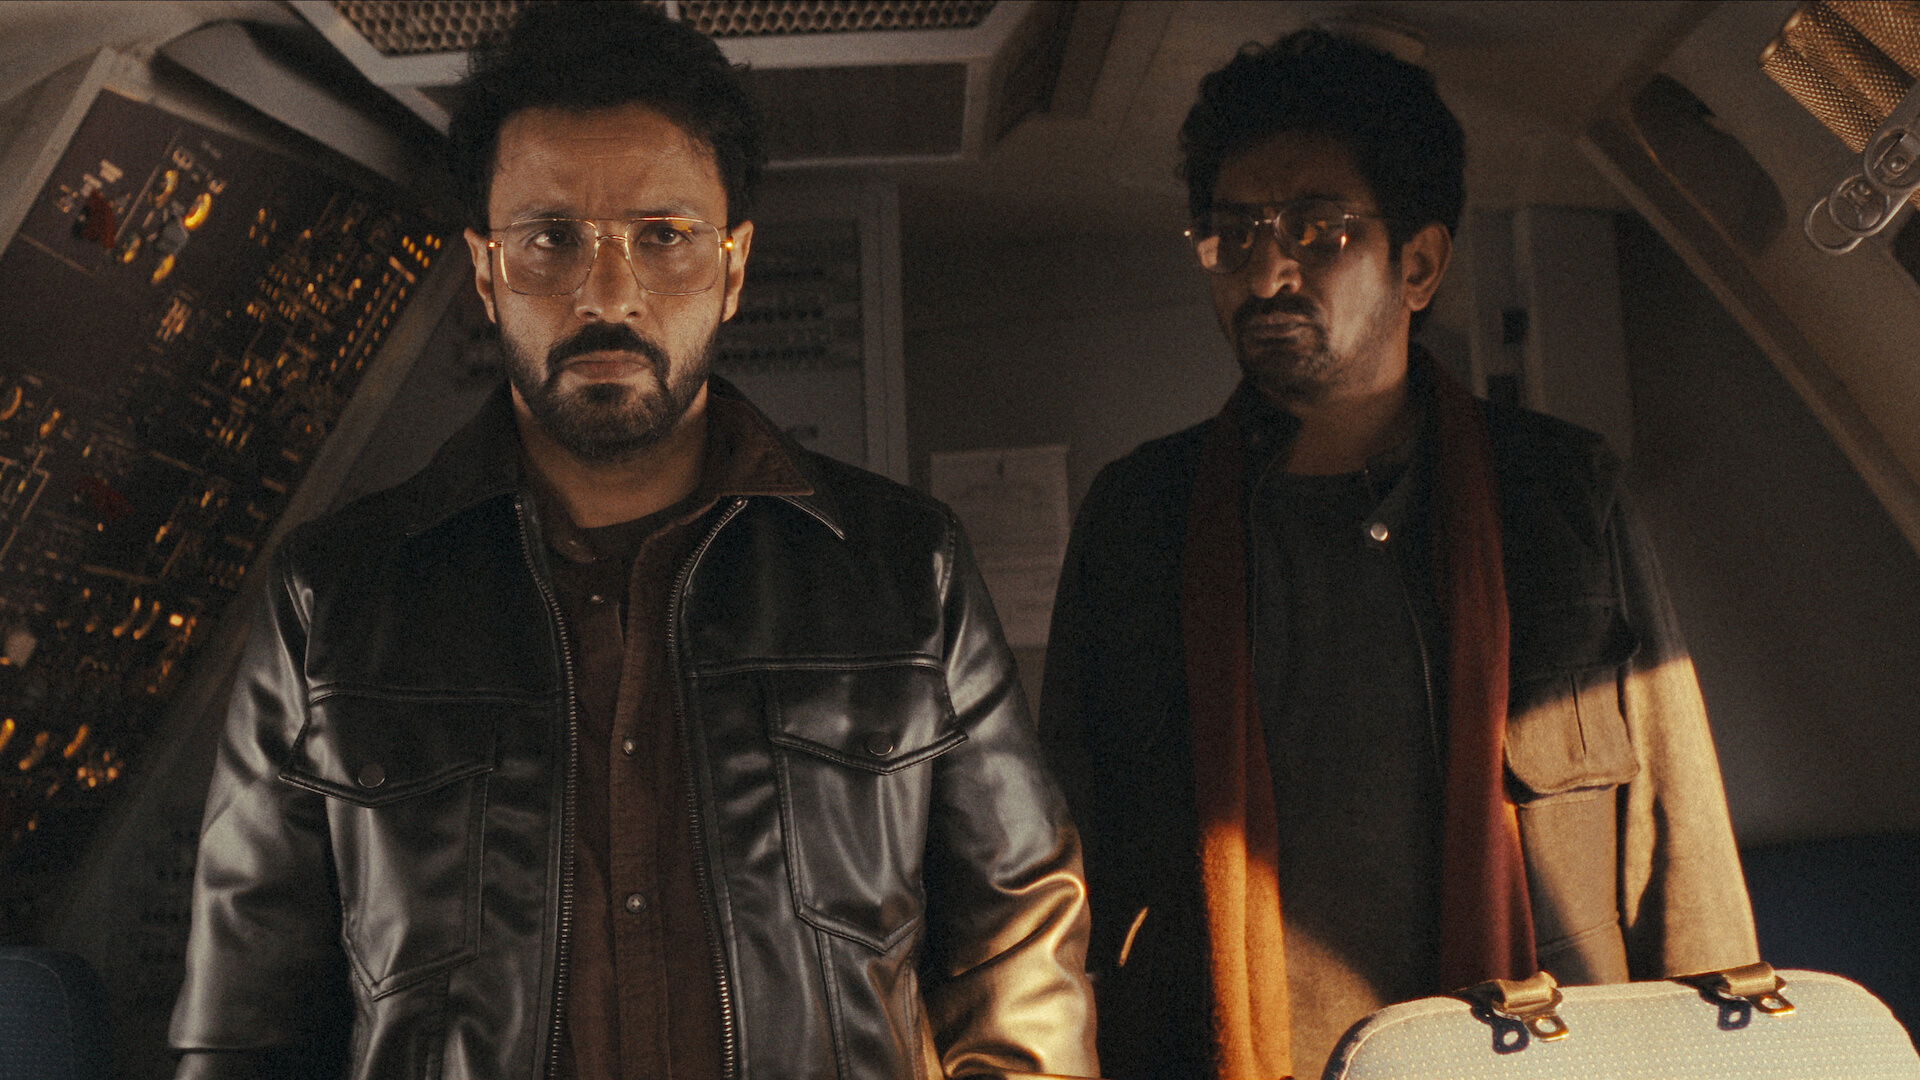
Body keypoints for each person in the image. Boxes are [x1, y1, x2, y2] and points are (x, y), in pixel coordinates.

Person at [168, 4, 1096, 1077]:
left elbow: (1019, 947)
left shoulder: (903, 570)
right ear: (485, 273)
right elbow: (245, 1026)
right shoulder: (331, 600)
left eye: (663, 237)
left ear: (733, 269)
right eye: (550, 239)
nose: (607, 294)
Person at [1039, 29, 1757, 1080]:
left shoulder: (1561, 495)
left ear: (1417, 266)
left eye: (1318, 229)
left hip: (1534, 1055)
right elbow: (1061, 861)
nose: (1266, 270)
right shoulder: (1138, 517)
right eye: (1233, 235)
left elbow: (1677, 848)